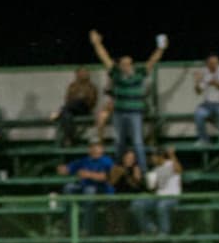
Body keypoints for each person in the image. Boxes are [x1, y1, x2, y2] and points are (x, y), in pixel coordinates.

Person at [89, 30, 166, 166]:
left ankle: (143, 172)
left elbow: (152, 61)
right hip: (119, 112)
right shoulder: (116, 74)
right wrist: (97, 44)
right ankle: (118, 170)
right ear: (120, 65)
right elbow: (104, 58)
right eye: (124, 64)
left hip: (135, 113)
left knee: (137, 142)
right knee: (119, 142)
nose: (126, 66)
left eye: (129, 63)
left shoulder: (139, 73)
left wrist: (160, 48)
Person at [193, 54, 219, 144]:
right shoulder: (204, 72)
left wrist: (215, 83)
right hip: (208, 104)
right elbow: (198, 92)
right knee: (198, 114)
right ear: (207, 64)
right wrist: (197, 82)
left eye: (215, 63)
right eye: (211, 63)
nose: (213, 65)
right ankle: (204, 139)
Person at [52, 66, 100, 147]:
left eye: (86, 72)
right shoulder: (72, 86)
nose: (84, 74)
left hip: (85, 109)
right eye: (82, 72)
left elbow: (92, 102)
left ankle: (60, 112)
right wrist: (79, 97)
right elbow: (67, 99)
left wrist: (80, 98)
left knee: (77, 102)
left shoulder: (91, 86)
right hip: (72, 110)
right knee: (66, 114)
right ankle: (71, 138)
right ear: (77, 74)